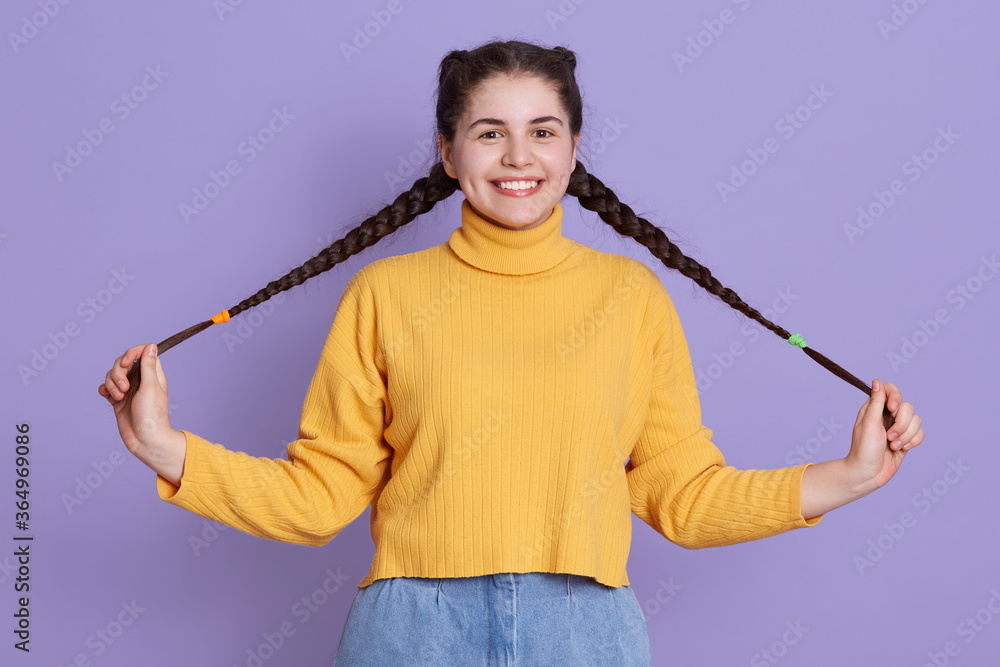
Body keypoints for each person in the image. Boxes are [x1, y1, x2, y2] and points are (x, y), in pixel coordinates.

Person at [98, 39, 924, 666]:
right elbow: (320, 498)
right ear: (448, 153)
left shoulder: (630, 297)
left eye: (543, 131)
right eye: (489, 132)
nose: (520, 157)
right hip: (411, 631)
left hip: (588, 630)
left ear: (573, 149)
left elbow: (684, 495)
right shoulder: (384, 295)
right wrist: (162, 445)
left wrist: (849, 476)